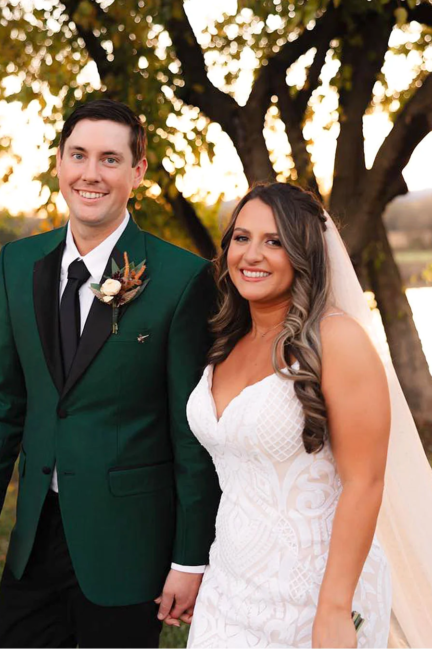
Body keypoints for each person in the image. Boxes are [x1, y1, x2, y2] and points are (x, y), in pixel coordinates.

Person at [0, 98, 221, 647]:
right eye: (78, 155)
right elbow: (0, 399)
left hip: (128, 543)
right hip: (35, 535)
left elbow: (191, 431)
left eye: (110, 159)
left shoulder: (181, 277)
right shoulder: (18, 263)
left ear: (136, 173)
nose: (90, 174)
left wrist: (190, 557)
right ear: (59, 162)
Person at [184, 182, 396, 647]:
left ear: (305, 254)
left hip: (316, 591)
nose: (252, 255)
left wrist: (335, 608)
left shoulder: (337, 340)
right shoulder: (228, 342)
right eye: (242, 238)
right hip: (229, 587)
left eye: (274, 241)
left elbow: (365, 483)